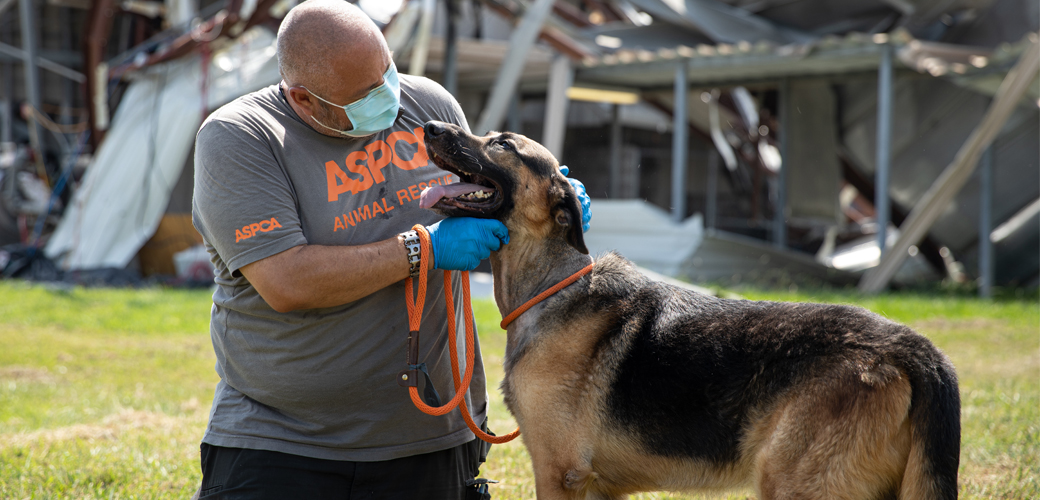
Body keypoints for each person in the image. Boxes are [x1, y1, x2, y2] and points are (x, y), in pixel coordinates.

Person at [191, 1, 590, 498]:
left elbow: (491, 224)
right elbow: (287, 282)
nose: (388, 98)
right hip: (283, 444)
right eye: (365, 95)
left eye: (388, 73)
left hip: (431, 439)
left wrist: (548, 216)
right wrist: (423, 250)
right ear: (304, 99)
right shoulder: (242, 138)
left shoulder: (430, 107)